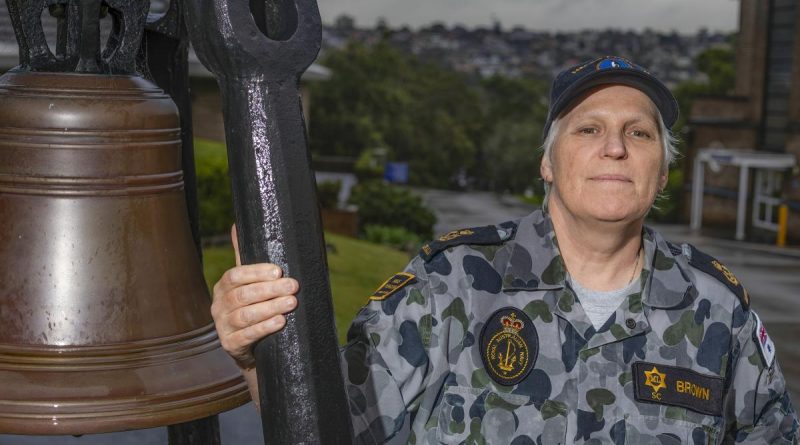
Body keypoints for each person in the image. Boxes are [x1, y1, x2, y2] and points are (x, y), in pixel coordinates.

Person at [211, 56, 799, 444]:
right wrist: (255, 356)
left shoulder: (719, 310)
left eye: (639, 133)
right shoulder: (453, 284)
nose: (615, 147)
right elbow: (329, 425)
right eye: (588, 129)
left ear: (664, 172)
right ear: (548, 161)